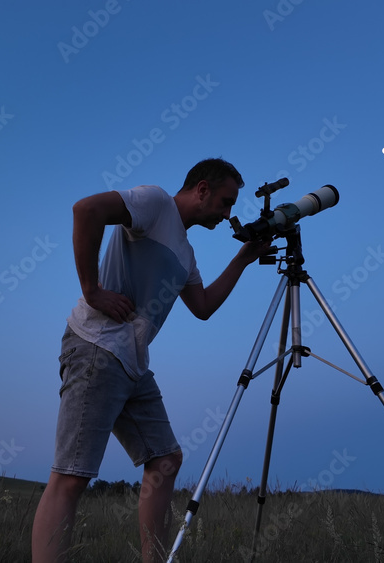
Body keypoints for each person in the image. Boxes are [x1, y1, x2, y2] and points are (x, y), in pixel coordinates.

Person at [32, 158, 271, 562]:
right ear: (201, 189)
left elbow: (204, 306)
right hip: (96, 347)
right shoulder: (156, 202)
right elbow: (86, 209)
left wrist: (243, 259)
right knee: (71, 478)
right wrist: (92, 290)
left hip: (132, 362)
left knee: (166, 460)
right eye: (225, 201)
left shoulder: (186, 252)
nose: (228, 214)